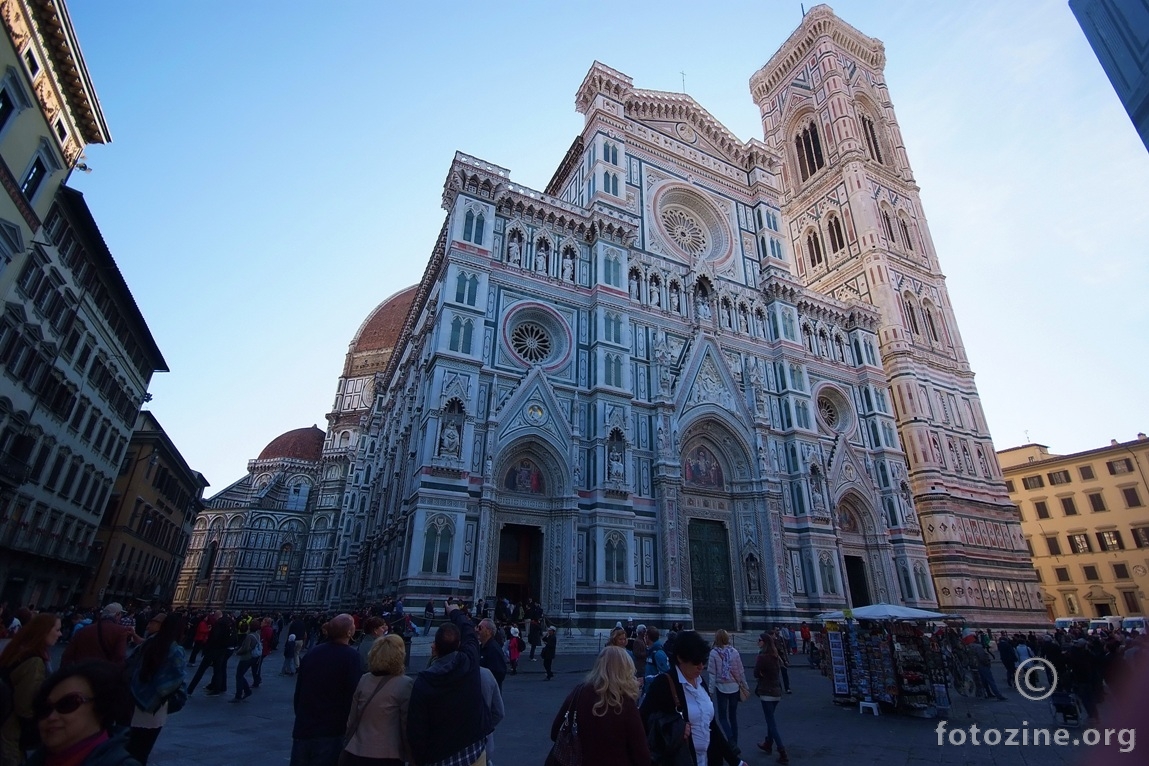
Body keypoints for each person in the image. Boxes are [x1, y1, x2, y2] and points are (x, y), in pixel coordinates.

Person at [639, 631, 747, 766]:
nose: (701, 666)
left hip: (708, 760)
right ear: (680, 658)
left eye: (703, 661)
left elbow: (711, 726)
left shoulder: (700, 682)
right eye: (696, 662)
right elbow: (643, 722)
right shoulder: (664, 684)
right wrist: (675, 729)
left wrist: (736, 761)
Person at [407, 599, 490, 766]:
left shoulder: (423, 683)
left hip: (438, 758)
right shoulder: (469, 664)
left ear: (435, 647)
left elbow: (416, 730)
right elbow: (470, 634)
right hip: (473, 754)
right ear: (459, 644)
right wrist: (454, 612)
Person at [549, 646, 649, 766]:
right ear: (626, 669)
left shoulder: (579, 692)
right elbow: (641, 753)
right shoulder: (625, 703)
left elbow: (555, 732)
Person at [25, 660, 137, 766]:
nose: (51, 717)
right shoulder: (40, 758)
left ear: (100, 707)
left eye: (68, 704)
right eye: (44, 708)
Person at [291, 614, 363, 766]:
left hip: (304, 727)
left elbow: (299, 691)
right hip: (331, 731)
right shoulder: (351, 657)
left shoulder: (312, 653)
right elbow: (353, 695)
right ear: (349, 633)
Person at [340, 634, 414, 766]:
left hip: (357, 749)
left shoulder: (364, 679)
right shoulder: (405, 684)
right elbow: (406, 724)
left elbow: (352, 718)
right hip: (388, 753)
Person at [1, 612, 62, 764]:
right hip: (11, 731)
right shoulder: (35, 662)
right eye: (57, 629)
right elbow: (25, 706)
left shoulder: (18, 649)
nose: (60, 634)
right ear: (45, 631)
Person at [125, 613, 186, 765]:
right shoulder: (176, 650)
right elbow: (177, 680)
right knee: (142, 751)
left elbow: (130, 665)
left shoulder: (149, 642)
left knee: (130, 747)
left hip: (135, 701)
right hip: (155, 707)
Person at [60, 603, 139, 668]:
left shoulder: (83, 630)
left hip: (80, 673)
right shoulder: (120, 631)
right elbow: (119, 658)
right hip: (101, 676)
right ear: (117, 615)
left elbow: (67, 656)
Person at [708, 629, 748, 752]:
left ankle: (731, 741)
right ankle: (734, 744)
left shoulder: (714, 653)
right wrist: (745, 685)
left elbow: (712, 674)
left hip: (722, 688)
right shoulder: (734, 652)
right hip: (734, 687)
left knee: (723, 717)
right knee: (733, 717)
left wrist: (710, 691)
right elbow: (741, 671)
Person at [753, 632, 788, 764]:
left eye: (759, 640)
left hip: (766, 693)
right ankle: (768, 743)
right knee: (770, 719)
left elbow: (756, 673)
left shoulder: (762, 657)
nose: (758, 641)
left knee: (771, 722)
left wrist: (761, 674)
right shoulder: (775, 656)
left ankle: (782, 751)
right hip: (777, 692)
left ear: (764, 642)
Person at [230, 621, 260, 703]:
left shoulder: (249, 636)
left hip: (246, 658)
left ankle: (239, 695)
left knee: (239, 676)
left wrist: (238, 652)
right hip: (253, 658)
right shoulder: (257, 635)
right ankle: (246, 690)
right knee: (240, 675)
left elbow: (246, 648)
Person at [477, 618, 507, 689]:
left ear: (488, 631)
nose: (477, 630)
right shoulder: (481, 647)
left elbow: (499, 673)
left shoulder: (493, 649)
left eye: (480, 628)